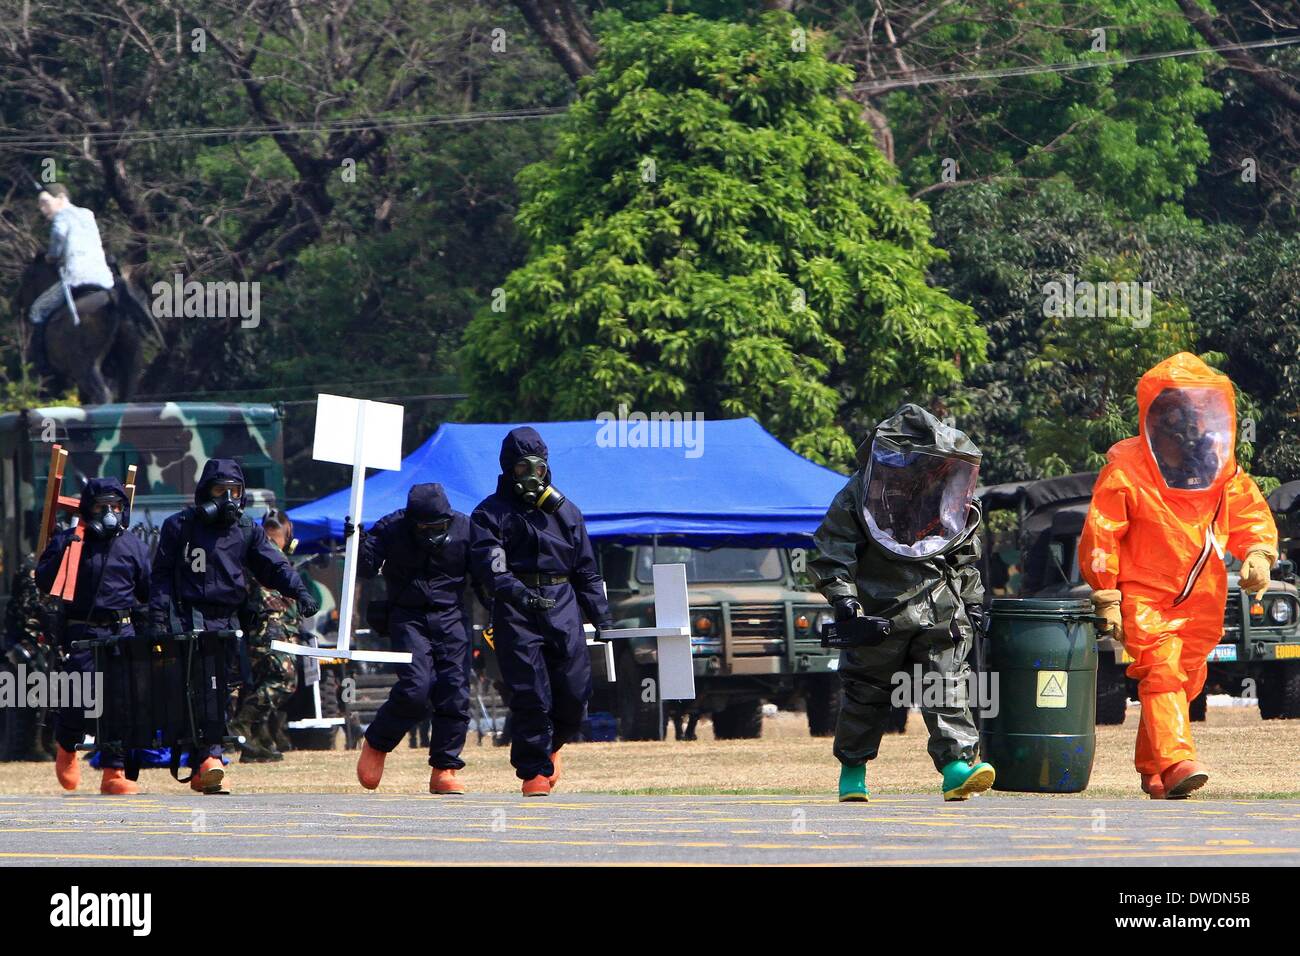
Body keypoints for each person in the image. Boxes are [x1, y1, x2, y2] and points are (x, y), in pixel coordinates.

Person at [1080, 353, 1278, 799]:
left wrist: (1259, 553)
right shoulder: (1127, 470)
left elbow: (1248, 512)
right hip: (1145, 591)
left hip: (1202, 592)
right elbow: (1101, 532)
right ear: (1155, 422)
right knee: (1164, 670)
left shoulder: (1218, 465)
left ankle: (1153, 769)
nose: (1187, 429)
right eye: (1175, 419)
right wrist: (1107, 593)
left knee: (1186, 679)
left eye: (1193, 417)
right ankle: (1176, 761)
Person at [810, 404, 995, 803]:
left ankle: (956, 769)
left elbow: (962, 554)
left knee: (946, 685)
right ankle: (853, 772)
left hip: (940, 606)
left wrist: (973, 602)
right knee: (866, 692)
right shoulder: (858, 492)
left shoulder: (944, 487)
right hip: (879, 609)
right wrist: (844, 599)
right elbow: (832, 548)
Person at [149, 459, 319, 794]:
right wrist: (158, 622)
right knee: (199, 691)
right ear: (204, 491)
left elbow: (274, 566)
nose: (227, 498)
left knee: (223, 692)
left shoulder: (246, 529)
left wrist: (299, 590)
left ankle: (206, 764)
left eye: (235, 491)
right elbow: (161, 579)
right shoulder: (179, 526)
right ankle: (210, 759)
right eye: (219, 490)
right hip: (188, 620)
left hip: (230, 621)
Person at [470, 427, 613, 796]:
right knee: (531, 693)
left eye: (539, 467)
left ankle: (549, 748)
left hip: (562, 604)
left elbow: (585, 569)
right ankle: (533, 771)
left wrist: (602, 616)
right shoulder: (489, 513)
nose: (532, 476)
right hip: (516, 613)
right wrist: (520, 595)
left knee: (575, 693)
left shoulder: (566, 512)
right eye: (522, 468)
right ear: (508, 470)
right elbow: (492, 567)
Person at [352, 483, 477, 794]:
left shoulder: (465, 529)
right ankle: (377, 742)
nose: (433, 532)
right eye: (425, 526)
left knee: (454, 690)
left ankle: (445, 767)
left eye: (439, 526)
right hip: (408, 616)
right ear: (411, 521)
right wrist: (357, 541)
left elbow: (487, 575)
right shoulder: (392, 528)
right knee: (416, 688)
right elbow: (366, 568)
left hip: (452, 616)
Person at [35, 477, 150, 795]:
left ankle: (113, 771)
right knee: (78, 696)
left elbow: (147, 589)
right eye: (103, 507)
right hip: (82, 629)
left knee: (120, 703)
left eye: (116, 506)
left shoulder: (132, 545)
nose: (110, 513)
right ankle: (66, 747)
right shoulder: (70, 542)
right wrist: (61, 550)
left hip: (121, 629)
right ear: (89, 509)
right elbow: (44, 581)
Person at [228, 510, 305, 763]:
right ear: (288, 531)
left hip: (262, 629)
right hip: (270, 628)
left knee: (263, 683)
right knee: (284, 681)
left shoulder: (257, 551)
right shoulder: (269, 554)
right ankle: (241, 726)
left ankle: (257, 741)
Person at [28, 184, 115, 373]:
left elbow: (58, 239)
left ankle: (42, 364)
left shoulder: (61, 217)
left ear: (60, 198)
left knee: (37, 310)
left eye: (45, 203)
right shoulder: (87, 214)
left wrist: (51, 256)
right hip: (104, 279)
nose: (43, 210)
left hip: (76, 278)